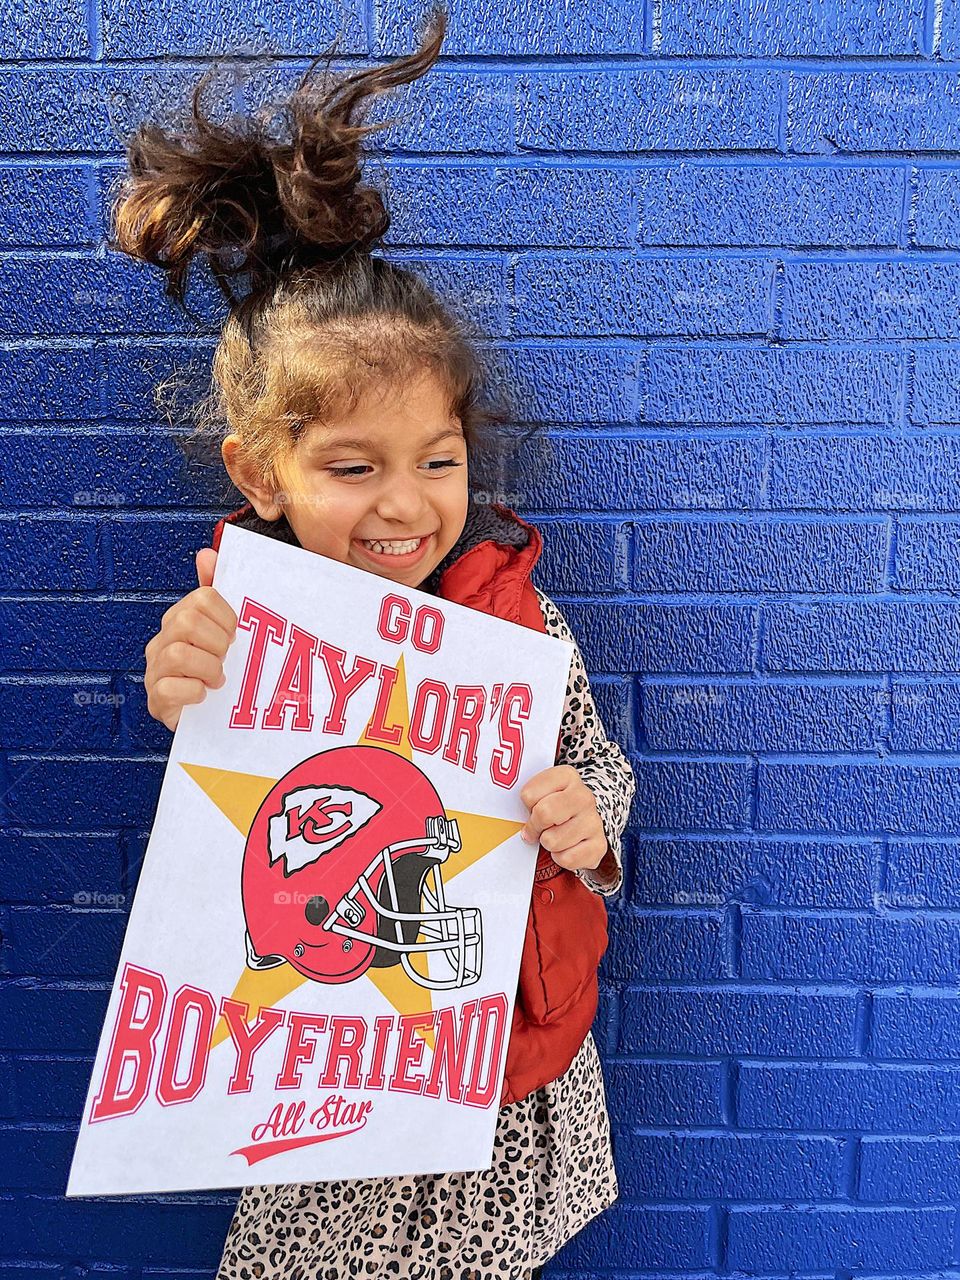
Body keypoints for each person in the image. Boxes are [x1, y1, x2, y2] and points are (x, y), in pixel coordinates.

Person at [116, 7, 637, 1277]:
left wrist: (586, 816)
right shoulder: (242, 627)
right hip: (328, 1093)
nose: (405, 503)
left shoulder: (517, 617)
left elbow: (599, 768)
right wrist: (180, 683)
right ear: (264, 471)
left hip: (502, 1080)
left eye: (439, 461)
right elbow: (218, 821)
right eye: (353, 466)